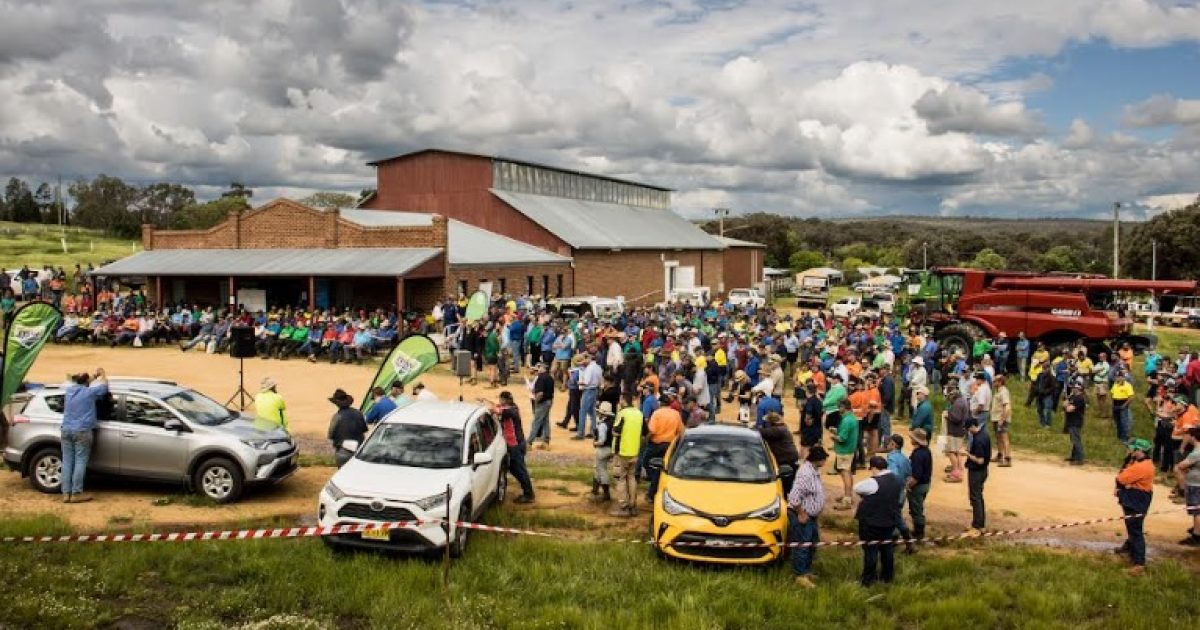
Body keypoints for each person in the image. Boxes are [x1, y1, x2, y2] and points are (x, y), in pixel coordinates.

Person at [60, 367, 109, 503]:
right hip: (82, 431)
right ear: (87, 382)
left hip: (66, 429)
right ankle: (76, 493)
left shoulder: (69, 391)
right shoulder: (89, 393)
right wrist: (103, 375)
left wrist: (93, 376)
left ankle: (66, 493)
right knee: (80, 461)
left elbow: (82, 382)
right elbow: (104, 388)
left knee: (67, 461)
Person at [855, 455, 902, 587]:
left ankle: (868, 580)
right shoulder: (896, 479)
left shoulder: (873, 482)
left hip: (871, 522)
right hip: (889, 521)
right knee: (887, 550)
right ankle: (887, 577)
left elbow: (857, 487)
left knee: (871, 552)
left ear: (874, 468)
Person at [787, 445, 828, 589]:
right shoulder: (806, 474)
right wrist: (801, 513)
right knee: (802, 545)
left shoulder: (814, 470)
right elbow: (794, 497)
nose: (825, 461)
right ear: (818, 459)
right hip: (802, 515)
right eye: (824, 458)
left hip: (811, 516)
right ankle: (800, 575)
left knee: (812, 544)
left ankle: (806, 571)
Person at [1114, 438, 1155, 576]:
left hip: (1136, 498)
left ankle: (1139, 564)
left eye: (1133, 448)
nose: (1130, 450)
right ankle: (1129, 549)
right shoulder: (1141, 462)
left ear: (1140, 451)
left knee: (1135, 530)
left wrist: (1123, 485)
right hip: (1136, 496)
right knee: (1132, 527)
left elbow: (1121, 478)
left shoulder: (1141, 467)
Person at [491, 391, 535, 503]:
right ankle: (528, 491)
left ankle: (528, 494)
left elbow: (496, 410)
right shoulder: (513, 407)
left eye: (501, 400)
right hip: (517, 444)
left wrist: (488, 405)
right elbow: (499, 408)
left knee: (519, 470)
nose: (500, 402)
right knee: (516, 469)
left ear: (504, 400)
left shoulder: (509, 411)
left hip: (515, 445)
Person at [645, 395, 684, 501]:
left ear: (660, 403)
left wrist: (645, 440)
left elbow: (652, 431)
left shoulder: (657, 413)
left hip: (656, 445)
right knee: (663, 468)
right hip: (669, 446)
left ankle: (654, 486)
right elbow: (681, 431)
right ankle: (657, 485)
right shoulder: (676, 414)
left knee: (647, 463)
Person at [611, 395, 644, 516]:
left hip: (623, 451)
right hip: (635, 451)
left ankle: (623, 507)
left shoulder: (622, 413)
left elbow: (616, 431)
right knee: (632, 478)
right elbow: (645, 432)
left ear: (624, 401)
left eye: (620, 399)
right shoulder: (639, 414)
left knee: (621, 479)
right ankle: (633, 505)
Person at [884, 434, 915, 553]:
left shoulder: (891, 458)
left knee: (896, 518)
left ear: (893, 445)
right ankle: (894, 539)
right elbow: (909, 474)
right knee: (895, 515)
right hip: (902, 492)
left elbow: (894, 475)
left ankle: (909, 544)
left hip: (894, 492)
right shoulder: (905, 458)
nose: (887, 445)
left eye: (889, 443)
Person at [758, 412, 800, 495]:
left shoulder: (778, 430)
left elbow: (762, 432)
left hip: (786, 460)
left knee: (786, 485)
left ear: (771, 422)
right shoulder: (781, 428)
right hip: (789, 458)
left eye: (767, 422)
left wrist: (753, 428)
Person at [962, 419, 992, 534]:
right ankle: (979, 523)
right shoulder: (984, 434)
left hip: (977, 472)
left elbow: (980, 460)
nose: (968, 431)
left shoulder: (979, 439)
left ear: (972, 426)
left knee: (975, 498)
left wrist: (967, 454)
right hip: (983, 471)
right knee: (978, 497)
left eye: (968, 429)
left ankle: (977, 525)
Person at [830, 398, 859, 510]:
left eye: (839, 407)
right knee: (848, 473)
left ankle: (847, 500)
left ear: (843, 407)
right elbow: (846, 433)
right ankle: (848, 495)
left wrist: (833, 437)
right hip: (850, 449)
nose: (838, 409)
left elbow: (842, 438)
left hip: (844, 451)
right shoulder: (852, 417)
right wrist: (836, 431)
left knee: (845, 473)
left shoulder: (846, 420)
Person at [1173, 427, 1200, 546]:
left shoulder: (1196, 453)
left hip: (1195, 485)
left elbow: (1180, 467)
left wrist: (1181, 486)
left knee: (1196, 511)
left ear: (1193, 437)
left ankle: (1197, 536)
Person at [327, 389, 367, 467]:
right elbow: (364, 429)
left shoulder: (337, 417)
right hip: (359, 450)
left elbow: (330, 435)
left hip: (343, 450)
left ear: (336, 404)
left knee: (343, 472)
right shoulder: (359, 413)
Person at [906, 428, 933, 544]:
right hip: (925, 484)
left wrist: (908, 485)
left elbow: (916, 476)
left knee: (916, 510)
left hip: (918, 486)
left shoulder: (917, 455)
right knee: (918, 508)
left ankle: (918, 533)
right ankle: (918, 531)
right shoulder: (926, 451)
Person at [942, 385, 970, 483]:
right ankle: (958, 471)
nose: (948, 398)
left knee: (951, 452)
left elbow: (956, 418)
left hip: (955, 431)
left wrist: (948, 415)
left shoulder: (957, 404)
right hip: (960, 431)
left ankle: (956, 474)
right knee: (957, 452)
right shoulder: (963, 400)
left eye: (948, 396)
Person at [591, 401, 616, 503]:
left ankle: (606, 494)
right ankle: (595, 489)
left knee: (601, 469)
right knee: (598, 467)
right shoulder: (613, 422)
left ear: (603, 413)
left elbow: (602, 440)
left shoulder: (603, 425)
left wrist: (595, 443)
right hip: (611, 449)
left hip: (603, 449)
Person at [528, 363, 555, 447]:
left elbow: (540, 393)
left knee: (536, 422)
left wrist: (536, 401)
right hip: (549, 401)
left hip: (542, 402)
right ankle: (546, 442)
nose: (537, 368)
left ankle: (529, 442)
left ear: (544, 368)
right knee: (545, 421)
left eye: (539, 367)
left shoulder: (541, 378)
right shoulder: (550, 377)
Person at [990, 375, 1012, 466]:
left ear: (1000, 382)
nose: (993, 382)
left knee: (1004, 438)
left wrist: (1002, 419)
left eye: (995, 381)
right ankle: (1000, 455)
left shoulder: (1004, 391)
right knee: (998, 438)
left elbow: (1007, 407)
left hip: (1001, 419)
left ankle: (1007, 459)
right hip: (996, 418)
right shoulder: (998, 391)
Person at [1064, 382, 1087, 465]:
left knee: (1076, 440)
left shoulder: (1080, 398)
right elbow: (1064, 404)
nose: (1073, 389)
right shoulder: (1073, 396)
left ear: (1079, 389)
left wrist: (1067, 405)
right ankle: (1074, 456)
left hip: (1076, 421)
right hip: (1071, 421)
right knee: (1073, 440)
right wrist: (1068, 400)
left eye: (1075, 388)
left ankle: (1080, 458)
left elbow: (1069, 409)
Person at [1111, 372, 1135, 442]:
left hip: (1123, 405)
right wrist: (1113, 403)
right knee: (1117, 421)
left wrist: (1124, 405)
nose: (1119, 378)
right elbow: (1112, 393)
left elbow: (1131, 397)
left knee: (1124, 422)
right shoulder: (1115, 384)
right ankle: (1119, 436)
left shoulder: (1128, 385)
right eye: (1117, 377)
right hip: (1115, 405)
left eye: (1120, 377)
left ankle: (1124, 437)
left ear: (1123, 377)